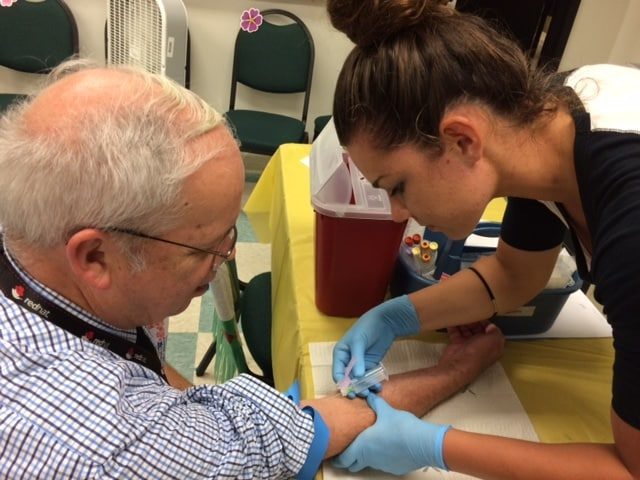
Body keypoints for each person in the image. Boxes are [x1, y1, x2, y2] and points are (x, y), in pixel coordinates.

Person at [0, 59, 505, 479]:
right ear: (95, 257)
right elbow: (319, 426)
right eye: (203, 247)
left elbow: (142, 361)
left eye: (231, 230)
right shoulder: (110, 447)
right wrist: (456, 370)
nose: (229, 257)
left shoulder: (37, 256)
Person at [326, 1, 640, 478]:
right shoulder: (548, 124)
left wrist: (433, 446)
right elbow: (517, 273)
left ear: (462, 141)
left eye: (398, 187)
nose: (397, 212)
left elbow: (631, 468)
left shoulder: (631, 215)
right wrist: (396, 316)